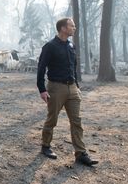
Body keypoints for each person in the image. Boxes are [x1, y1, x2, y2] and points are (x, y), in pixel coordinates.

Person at [37, 17, 98, 166]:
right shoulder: (50, 46)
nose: (74, 28)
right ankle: (45, 146)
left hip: (72, 88)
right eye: (72, 26)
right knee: (52, 119)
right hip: (56, 88)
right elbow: (41, 68)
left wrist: (76, 85)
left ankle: (80, 153)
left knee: (77, 121)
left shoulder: (71, 45)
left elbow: (73, 66)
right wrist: (42, 89)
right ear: (63, 28)